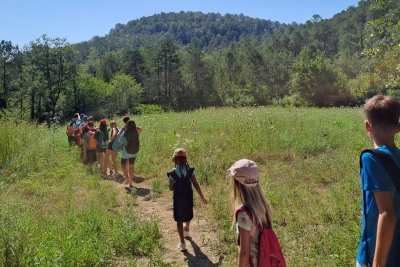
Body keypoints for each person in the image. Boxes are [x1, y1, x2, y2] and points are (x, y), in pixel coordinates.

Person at [356, 95, 400, 267]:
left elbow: (387, 214)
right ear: (398, 127)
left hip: (377, 255)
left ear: (368, 125)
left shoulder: (371, 158)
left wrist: (377, 264)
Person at [228, 159, 273, 267]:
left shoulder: (243, 214)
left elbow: (244, 253)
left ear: (237, 184)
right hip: (267, 261)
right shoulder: (263, 205)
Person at [167, 148, 208, 252]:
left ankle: (182, 243)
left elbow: (171, 188)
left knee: (179, 220)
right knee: (189, 214)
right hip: (188, 198)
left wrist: (173, 182)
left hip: (178, 200)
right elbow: (195, 183)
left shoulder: (172, 173)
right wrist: (202, 196)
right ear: (185, 159)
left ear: (175, 160)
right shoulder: (190, 170)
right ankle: (187, 229)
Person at [118, 120, 141, 188]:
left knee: (123, 164)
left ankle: (127, 178)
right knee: (131, 165)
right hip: (134, 152)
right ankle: (130, 181)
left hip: (126, 152)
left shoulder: (125, 133)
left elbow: (120, 142)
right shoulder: (136, 133)